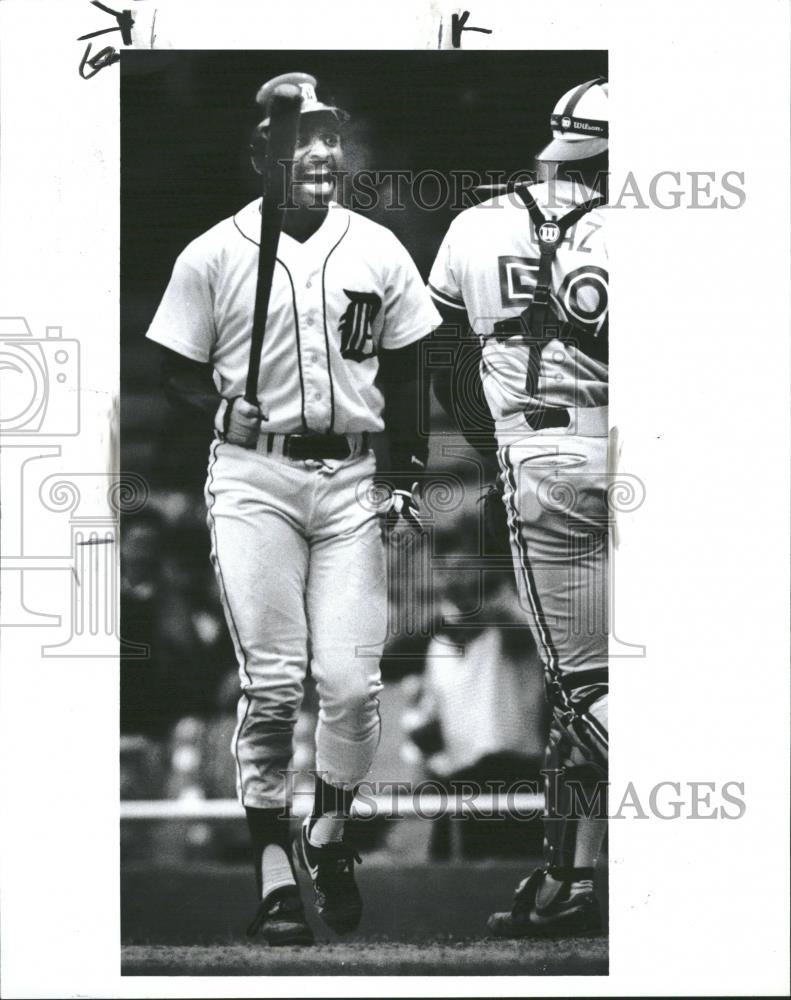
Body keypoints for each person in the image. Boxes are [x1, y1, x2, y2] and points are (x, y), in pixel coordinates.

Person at [146, 71, 441, 945]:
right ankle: (274, 866)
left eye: (329, 134)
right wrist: (216, 407)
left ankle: (330, 833)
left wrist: (409, 475)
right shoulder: (212, 252)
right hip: (252, 477)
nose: (320, 148)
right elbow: (170, 366)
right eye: (299, 134)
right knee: (273, 684)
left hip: (353, 476)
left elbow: (415, 364)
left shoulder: (378, 246)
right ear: (261, 151)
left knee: (350, 683)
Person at [428, 78, 610, 935]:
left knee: (583, 687)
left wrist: (484, 437)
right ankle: (566, 885)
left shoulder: (473, 222)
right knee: (599, 687)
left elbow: (437, 347)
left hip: (543, 452)